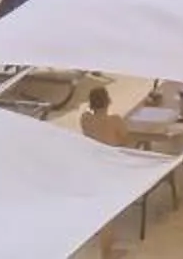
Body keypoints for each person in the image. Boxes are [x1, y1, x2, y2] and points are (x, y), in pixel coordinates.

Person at [76, 89, 130, 256]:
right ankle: (106, 254)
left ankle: (107, 249)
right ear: (108, 101)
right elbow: (124, 141)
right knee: (109, 215)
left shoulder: (85, 119)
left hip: (92, 167)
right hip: (109, 169)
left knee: (101, 210)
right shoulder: (115, 121)